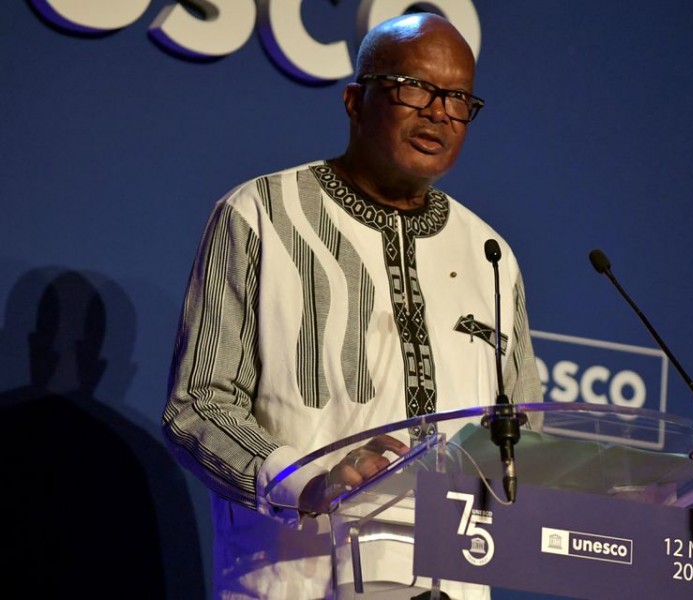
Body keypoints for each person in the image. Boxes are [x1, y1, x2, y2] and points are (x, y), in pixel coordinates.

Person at [162, 12, 542, 600]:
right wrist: (308, 483)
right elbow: (199, 408)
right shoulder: (261, 215)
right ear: (354, 100)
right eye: (415, 87)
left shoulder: (491, 253)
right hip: (298, 578)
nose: (439, 112)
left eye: (459, 98)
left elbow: (525, 433)